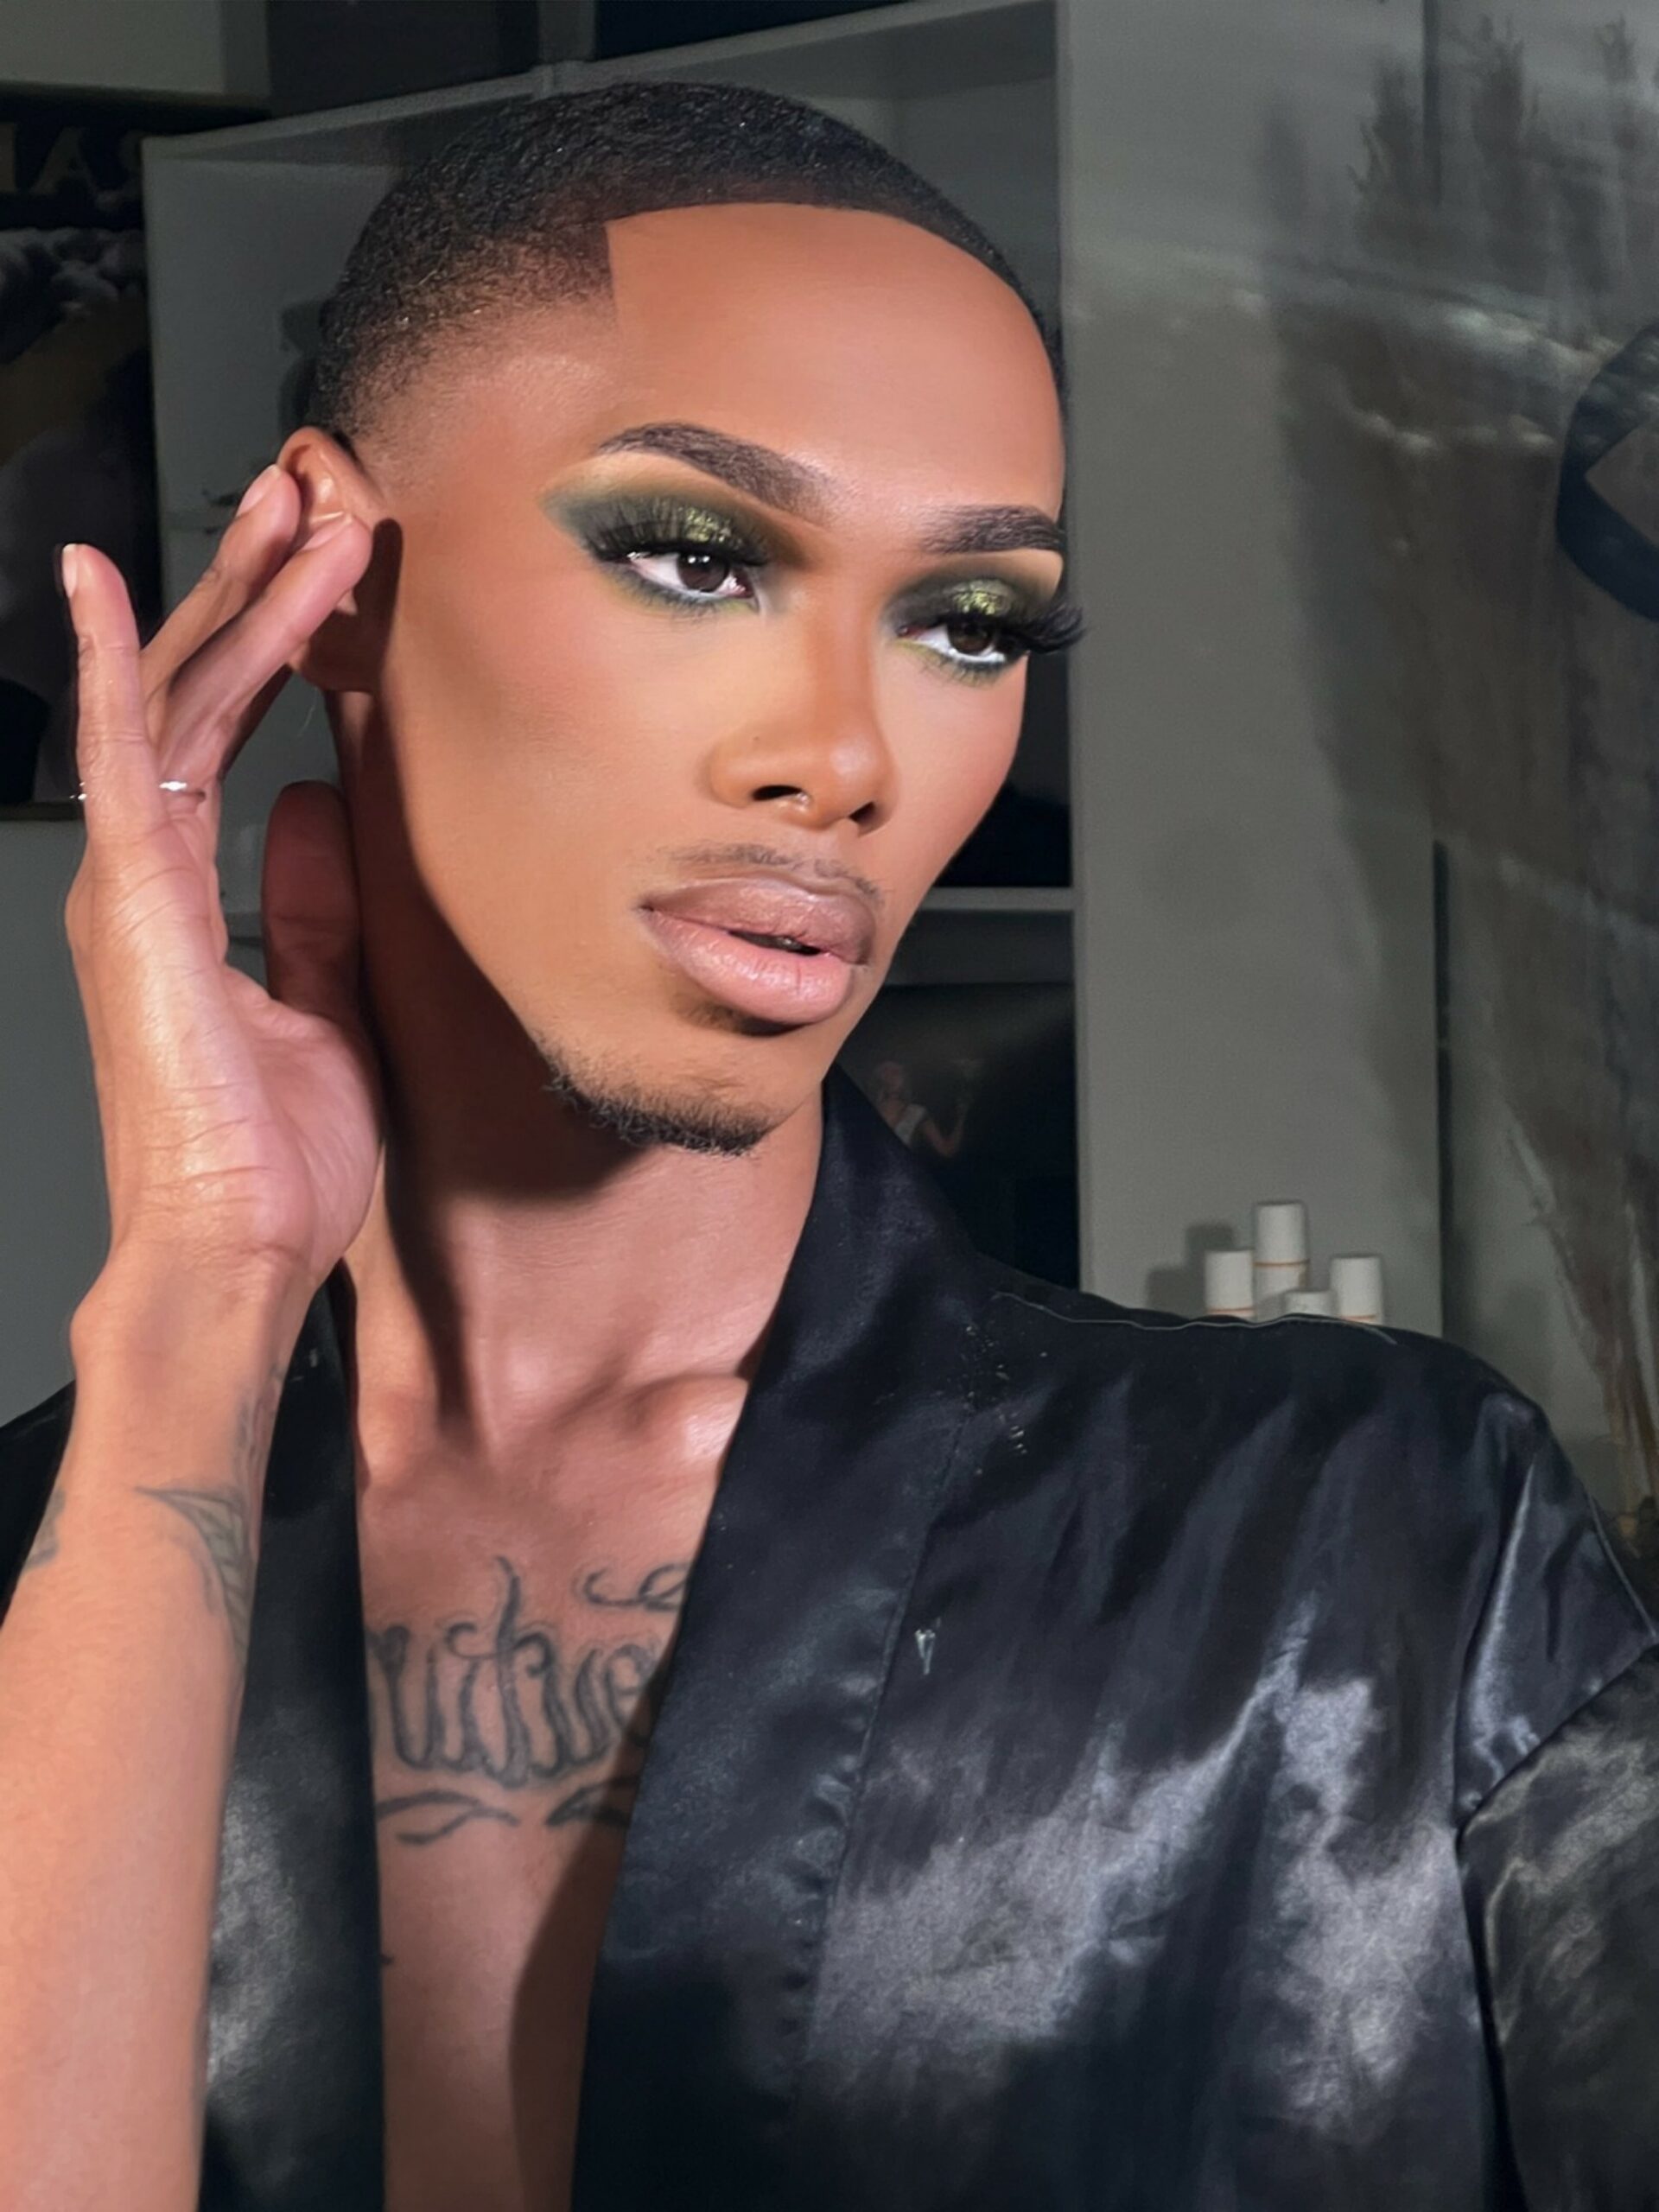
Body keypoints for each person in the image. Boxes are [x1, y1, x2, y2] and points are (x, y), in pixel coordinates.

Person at [0, 79, 1654, 2212]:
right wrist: (192, 1311)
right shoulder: (56, 1563)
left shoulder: (1377, 1550)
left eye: (972, 620)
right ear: (321, 576)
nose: (849, 756)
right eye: (697, 555)